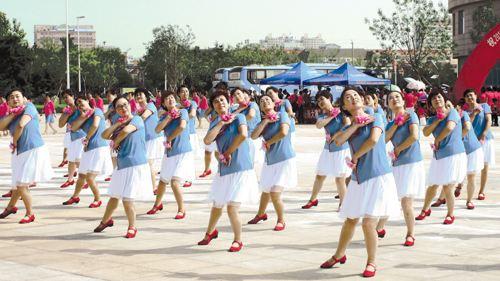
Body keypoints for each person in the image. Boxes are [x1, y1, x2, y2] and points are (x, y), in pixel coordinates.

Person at [319, 86, 399, 278]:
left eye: (355, 95)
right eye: (348, 97)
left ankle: (372, 262)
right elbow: (337, 141)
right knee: (350, 220)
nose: (353, 98)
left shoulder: (376, 117)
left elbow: (373, 140)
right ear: (345, 106)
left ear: (362, 100)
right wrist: (355, 125)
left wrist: (355, 157)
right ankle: (339, 254)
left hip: (378, 175)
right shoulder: (349, 125)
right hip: (358, 179)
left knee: (368, 223)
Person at [198, 90, 259, 252]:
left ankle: (237, 240)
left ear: (229, 101)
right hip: (224, 170)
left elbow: (243, 135)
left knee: (232, 207)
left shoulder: (239, 117)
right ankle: (209, 233)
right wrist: (220, 123)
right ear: (213, 106)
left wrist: (228, 152)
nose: (220, 103)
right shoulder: (215, 123)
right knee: (217, 205)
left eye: (222, 100)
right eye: (216, 101)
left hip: (241, 167)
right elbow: (207, 140)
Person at [94, 95, 152, 238]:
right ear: (116, 110)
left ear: (130, 105)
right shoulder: (119, 123)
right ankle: (105, 221)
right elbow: (104, 135)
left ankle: (132, 227)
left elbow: (126, 131)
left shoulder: (137, 119)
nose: (123, 108)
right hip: (122, 164)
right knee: (114, 196)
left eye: (125, 104)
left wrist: (116, 142)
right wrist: (117, 124)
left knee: (127, 198)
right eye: (119, 106)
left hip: (135, 163)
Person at [375, 88, 425, 247]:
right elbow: (384, 140)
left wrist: (398, 149)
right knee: (389, 197)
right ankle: (380, 227)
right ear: (388, 104)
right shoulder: (389, 123)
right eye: (391, 98)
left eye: (397, 97)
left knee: (406, 202)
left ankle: (410, 234)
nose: (394, 99)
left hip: (411, 163)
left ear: (403, 101)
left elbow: (414, 137)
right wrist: (397, 123)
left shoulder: (412, 116)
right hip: (396, 165)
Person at [0, 89, 54, 223]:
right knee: (18, 183)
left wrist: (14, 141)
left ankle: (30, 214)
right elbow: (1, 126)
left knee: (22, 184)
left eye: (17, 96)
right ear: (8, 102)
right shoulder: (12, 114)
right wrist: (12, 114)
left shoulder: (29, 107)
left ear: (24, 98)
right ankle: (10, 207)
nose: (15, 99)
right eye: (11, 97)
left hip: (32, 149)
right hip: (20, 152)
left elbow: (21, 124)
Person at [247, 94, 298, 231]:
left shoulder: (282, 115)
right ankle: (261, 214)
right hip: (270, 160)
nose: (265, 102)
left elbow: (284, 132)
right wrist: (265, 122)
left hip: (284, 159)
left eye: (267, 100)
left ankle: (281, 220)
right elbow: (253, 136)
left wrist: (269, 142)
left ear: (273, 103)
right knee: (265, 190)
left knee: (274, 193)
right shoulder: (262, 122)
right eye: (262, 101)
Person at [416, 89, 467, 225]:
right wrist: (437, 120)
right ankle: (425, 209)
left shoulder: (453, 112)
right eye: (433, 99)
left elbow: (450, 127)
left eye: (439, 97)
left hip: (454, 154)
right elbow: (426, 132)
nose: (437, 100)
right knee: (432, 185)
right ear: (430, 104)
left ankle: (450, 214)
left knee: (448, 187)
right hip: (439, 156)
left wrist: (437, 139)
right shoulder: (432, 119)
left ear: (444, 99)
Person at [147, 90, 194, 219]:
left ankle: (181, 209)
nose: (171, 99)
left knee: (174, 182)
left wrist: (169, 139)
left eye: (172, 97)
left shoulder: (183, 112)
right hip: (169, 153)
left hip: (183, 152)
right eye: (167, 98)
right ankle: (157, 204)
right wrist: (168, 117)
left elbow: (182, 127)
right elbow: (157, 130)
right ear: (163, 103)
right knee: (162, 181)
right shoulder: (163, 117)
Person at [302, 90, 351, 210]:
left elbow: (348, 125)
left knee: (340, 178)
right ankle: (312, 200)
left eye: (322, 99)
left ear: (329, 98)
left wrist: (335, 135)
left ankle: (343, 204)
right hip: (327, 149)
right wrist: (331, 116)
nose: (320, 102)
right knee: (320, 175)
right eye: (318, 101)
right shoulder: (323, 115)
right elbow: (319, 125)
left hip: (341, 148)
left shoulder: (342, 112)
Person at [61, 94, 113, 208]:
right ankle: (75, 196)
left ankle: (97, 199)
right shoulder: (82, 117)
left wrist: (87, 138)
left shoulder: (97, 111)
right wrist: (83, 117)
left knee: (90, 178)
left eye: (81, 101)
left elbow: (95, 125)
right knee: (81, 175)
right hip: (88, 149)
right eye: (78, 103)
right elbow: (73, 128)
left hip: (99, 147)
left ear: (88, 101)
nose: (80, 105)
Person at [464, 89, 495, 201]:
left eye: (471, 95)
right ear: (465, 100)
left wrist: (484, 134)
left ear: (476, 96)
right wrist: (473, 113)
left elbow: (488, 121)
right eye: (467, 96)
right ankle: (460, 185)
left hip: (486, 140)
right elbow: (467, 126)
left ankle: (481, 191)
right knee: (470, 167)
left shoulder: (484, 106)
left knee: (485, 167)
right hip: (473, 143)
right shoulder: (466, 112)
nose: (470, 97)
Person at [133, 88, 164, 194]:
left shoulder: (150, 106)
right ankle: (150, 185)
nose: (138, 97)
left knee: (149, 163)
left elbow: (143, 118)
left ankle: (154, 187)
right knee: (146, 163)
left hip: (153, 138)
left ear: (146, 96)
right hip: (145, 139)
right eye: (136, 95)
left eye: (140, 94)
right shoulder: (137, 111)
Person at [58, 89, 86, 188]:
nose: (65, 99)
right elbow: (60, 124)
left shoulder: (80, 107)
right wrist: (67, 114)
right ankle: (70, 180)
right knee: (71, 160)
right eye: (64, 98)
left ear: (72, 96)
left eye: (67, 97)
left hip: (82, 136)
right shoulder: (67, 110)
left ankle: (85, 181)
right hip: (72, 137)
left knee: (78, 160)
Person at [230, 88, 263, 166]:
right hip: (240, 138)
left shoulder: (252, 104)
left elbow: (250, 115)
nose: (237, 96)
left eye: (238, 93)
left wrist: (237, 120)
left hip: (252, 138)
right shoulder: (234, 109)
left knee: (253, 163)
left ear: (243, 94)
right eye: (234, 95)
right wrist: (240, 109)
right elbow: (229, 119)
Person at [178, 85, 199, 187]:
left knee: (189, 157)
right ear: (179, 94)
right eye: (182, 91)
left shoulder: (192, 103)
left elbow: (193, 114)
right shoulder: (176, 105)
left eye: (187, 91)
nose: (185, 93)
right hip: (179, 133)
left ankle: (189, 178)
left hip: (190, 132)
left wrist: (180, 113)